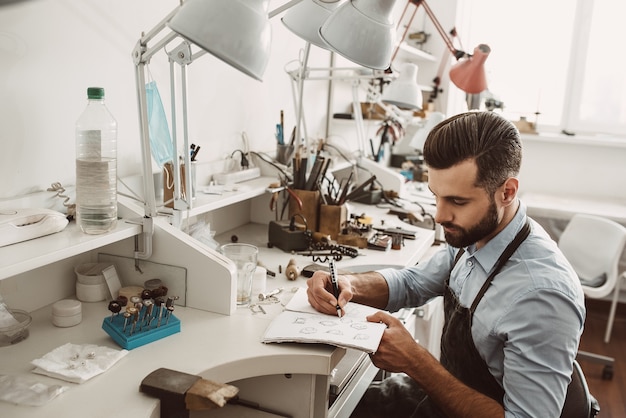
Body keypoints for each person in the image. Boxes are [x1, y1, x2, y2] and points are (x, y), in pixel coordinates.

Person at [307, 111, 585, 417]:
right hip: (442, 400)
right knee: (321, 407)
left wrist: (415, 361)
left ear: (507, 192)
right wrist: (349, 283)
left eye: (457, 201)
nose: (440, 216)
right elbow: (412, 283)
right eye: (436, 196)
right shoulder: (480, 234)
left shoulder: (541, 295)